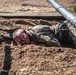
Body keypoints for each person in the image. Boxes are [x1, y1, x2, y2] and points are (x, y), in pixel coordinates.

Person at [0, 20, 76, 47]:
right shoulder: (28, 35)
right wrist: (3, 37)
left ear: (25, 32)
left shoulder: (38, 34)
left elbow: (56, 44)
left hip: (69, 28)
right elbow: (15, 36)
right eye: (21, 42)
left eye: (22, 39)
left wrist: (38, 45)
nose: (23, 42)